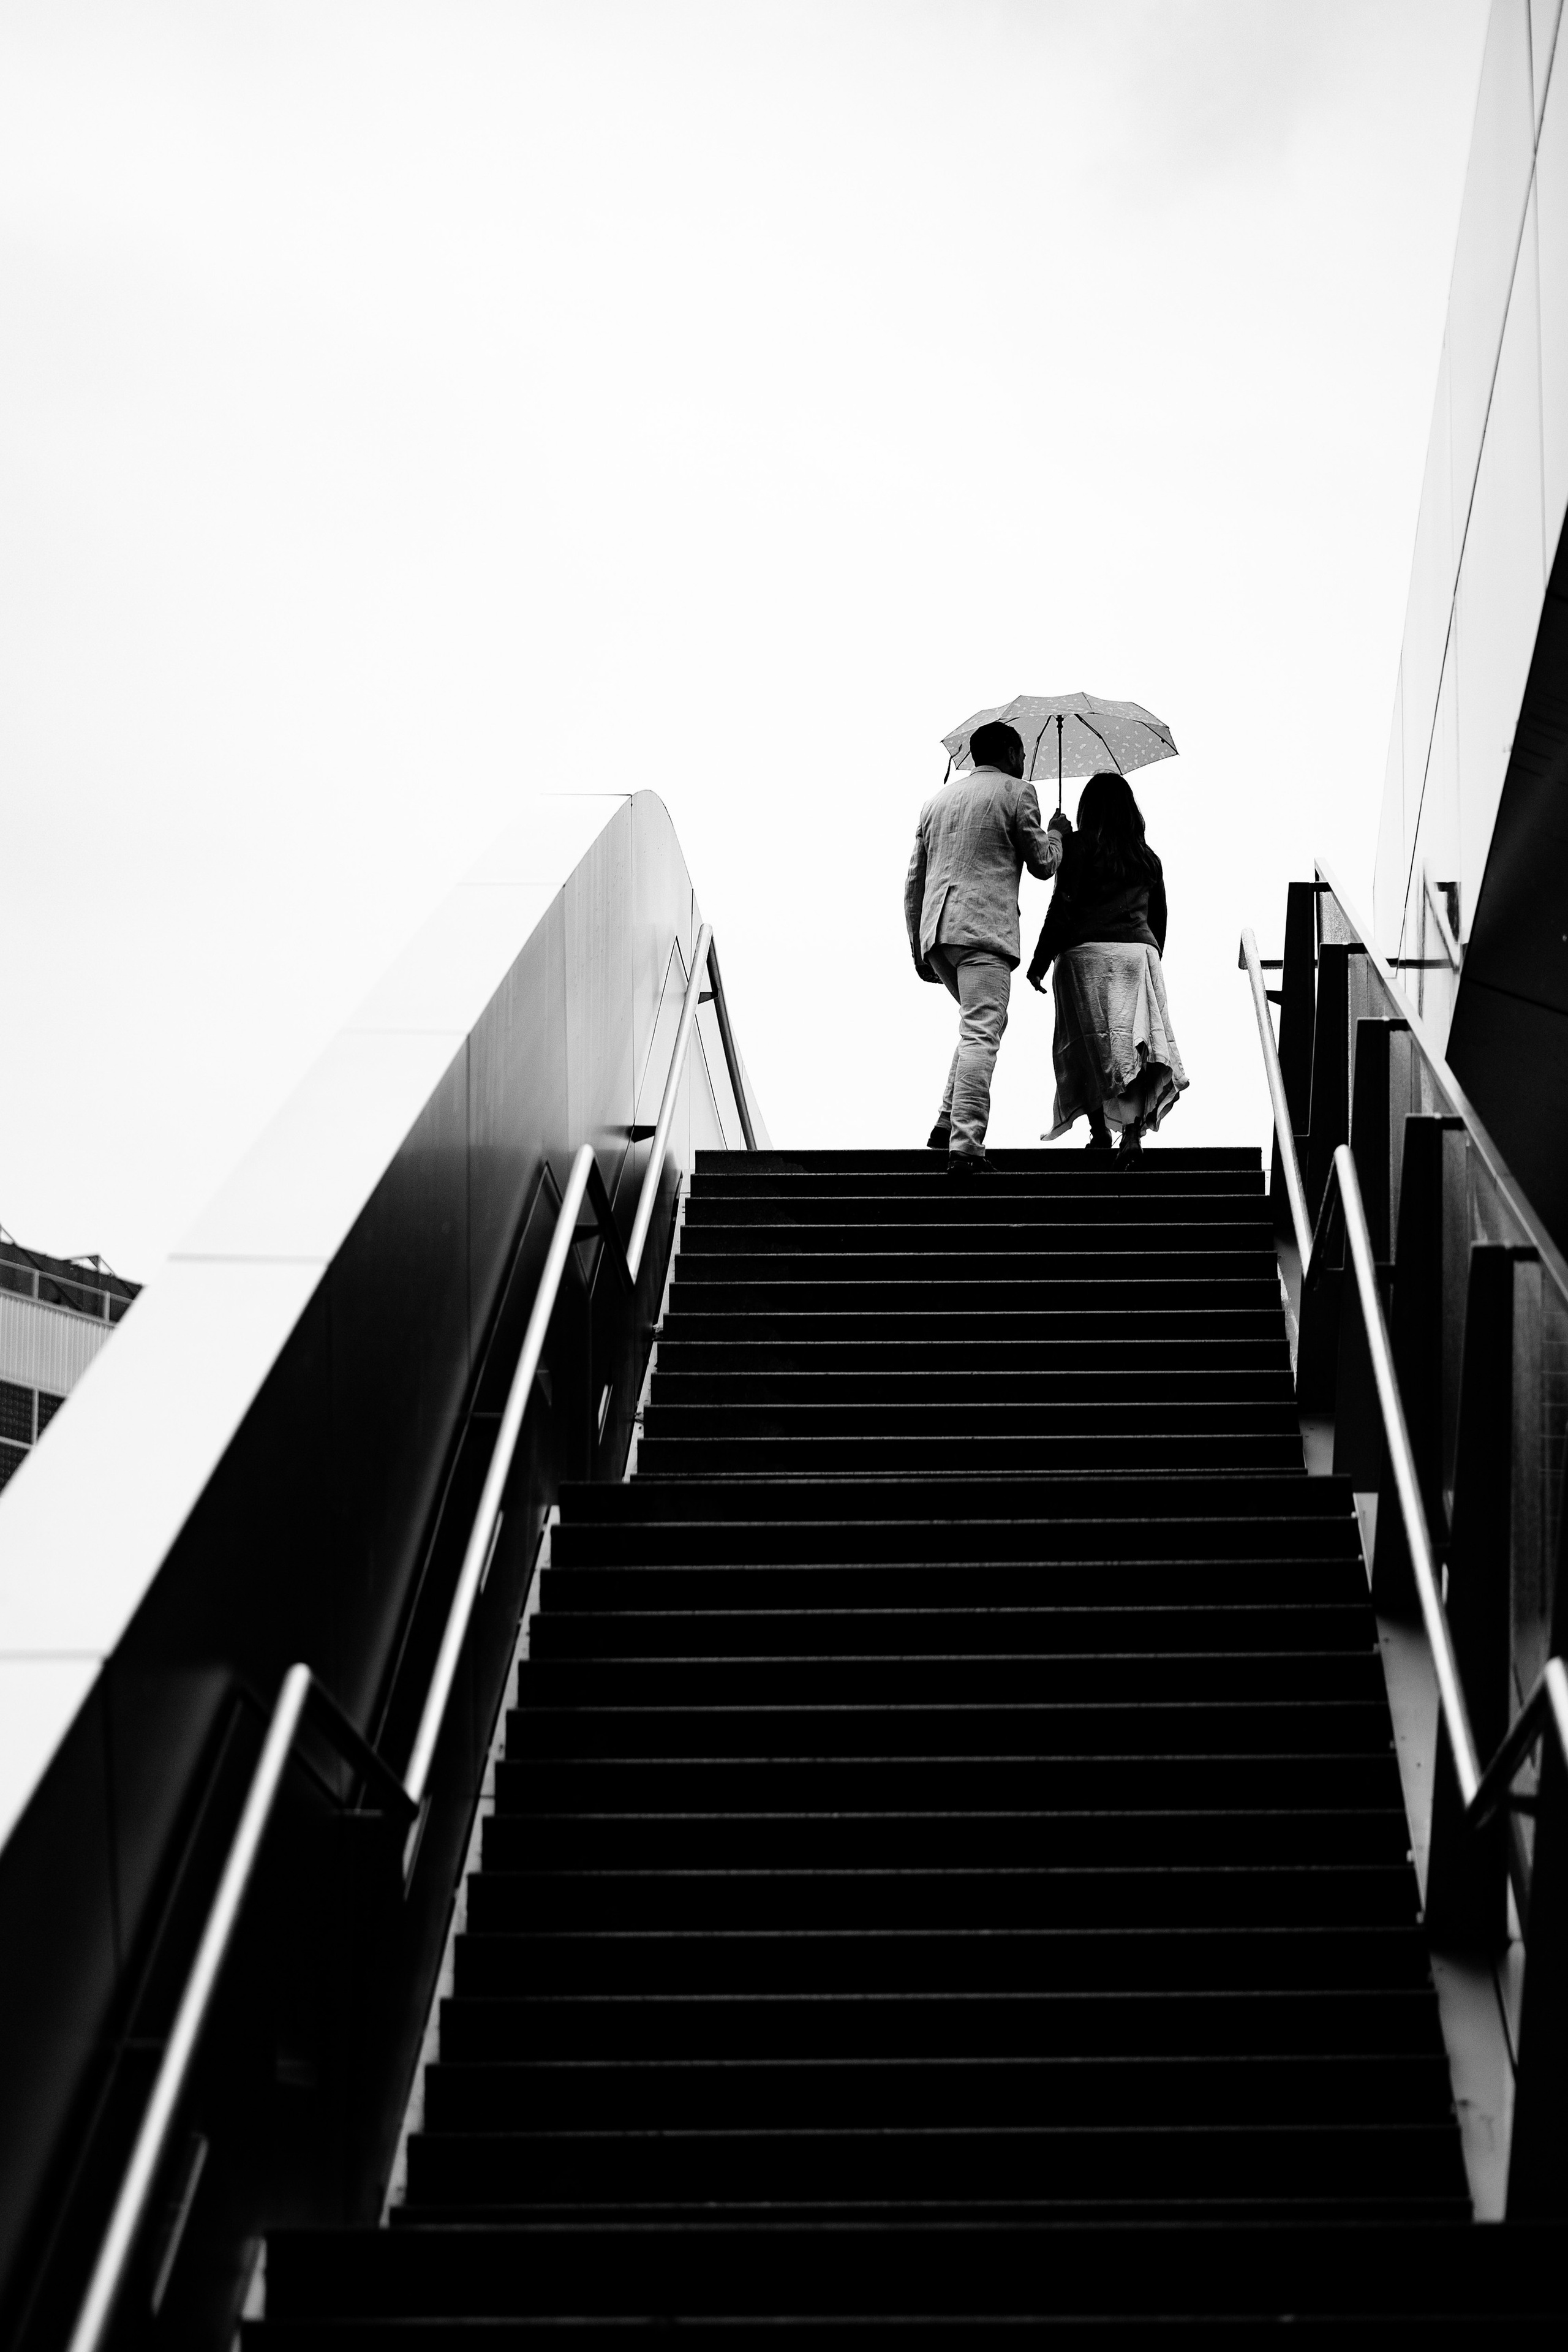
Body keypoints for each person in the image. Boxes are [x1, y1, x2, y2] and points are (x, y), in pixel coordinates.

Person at [905, 719, 1069, 1175]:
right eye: (1022, 754)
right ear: (1012, 752)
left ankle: (945, 1120)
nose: (1025, 763)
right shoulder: (1019, 794)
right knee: (983, 1030)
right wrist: (1057, 834)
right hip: (983, 934)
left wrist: (920, 947)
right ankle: (966, 1149)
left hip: (940, 934)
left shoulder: (935, 802)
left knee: (978, 1023)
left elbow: (914, 880)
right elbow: (1043, 864)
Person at [1025, 771, 1186, 1168]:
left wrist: (1039, 962)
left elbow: (1062, 906)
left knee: (1091, 1044)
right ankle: (1131, 1132)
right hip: (1137, 956)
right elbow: (1160, 919)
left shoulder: (1078, 847)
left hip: (1085, 957)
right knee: (1137, 1046)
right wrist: (1147, 955)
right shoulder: (1147, 858)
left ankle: (1099, 1132)